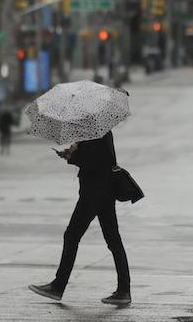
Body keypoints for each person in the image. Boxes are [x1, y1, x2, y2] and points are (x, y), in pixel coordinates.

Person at [29, 131, 131, 306]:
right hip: (104, 191)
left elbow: (92, 162)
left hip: (93, 193)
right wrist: (74, 152)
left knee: (72, 236)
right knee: (113, 240)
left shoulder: (94, 133)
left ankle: (58, 286)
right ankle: (123, 290)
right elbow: (98, 158)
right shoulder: (100, 131)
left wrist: (72, 156)